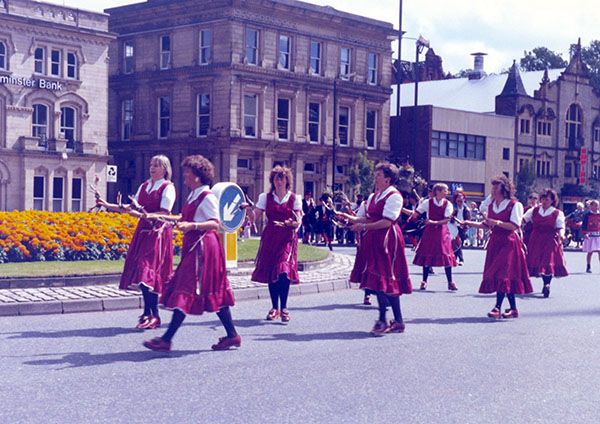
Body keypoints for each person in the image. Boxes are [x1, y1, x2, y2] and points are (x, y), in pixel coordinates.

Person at [143, 155, 239, 352]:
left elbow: (215, 222)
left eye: (187, 171)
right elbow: (184, 217)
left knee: (186, 287)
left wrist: (192, 225)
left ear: (197, 175)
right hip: (195, 246)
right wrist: (160, 217)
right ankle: (232, 335)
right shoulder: (194, 194)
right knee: (211, 290)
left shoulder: (207, 196)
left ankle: (166, 339)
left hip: (203, 249)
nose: (184, 175)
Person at [95, 155, 175, 330]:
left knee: (147, 271)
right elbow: (130, 208)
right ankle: (149, 313)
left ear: (165, 169)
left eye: (156, 165)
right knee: (141, 273)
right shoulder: (144, 186)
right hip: (143, 232)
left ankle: (153, 314)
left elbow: (165, 214)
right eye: (151, 164)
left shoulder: (168, 188)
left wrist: (143, 215)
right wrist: (107, 204)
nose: (152, 168)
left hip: (158, 233)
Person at [338, 162, 412, 335]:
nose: (375, 178)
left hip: (388, 241)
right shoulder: (373, 197)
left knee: (385, 279)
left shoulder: (395, 196)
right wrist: (349, 218)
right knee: (380, 280)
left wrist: (363, 227)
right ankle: (396, 321)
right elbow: (365, 218)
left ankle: (383, 320)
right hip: (373, 240)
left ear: (387, 179)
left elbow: (387, 222)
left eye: (378, 175)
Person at [464, 175, 532, 319]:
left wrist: (497, 222)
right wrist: (470, 223)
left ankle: (497, 307)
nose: (493, 189)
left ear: (504, 188)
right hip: (495, 241)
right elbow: (487, 225)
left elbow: (514, 225)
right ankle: (513, 308)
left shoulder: (514, 205)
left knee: (502, 273)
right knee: (503, 274)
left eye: (496, 186)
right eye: (493, 186)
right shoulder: (491, 205)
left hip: (508, 242)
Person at [248, 165, 302, 322]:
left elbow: (298, 219)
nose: (279, 181)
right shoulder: (265, 197)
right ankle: (274, 308)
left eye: (282, 178)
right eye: (276, 178)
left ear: (287, 180)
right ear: (272, 180)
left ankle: (284, 307)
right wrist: (247, 211)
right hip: (271, 237)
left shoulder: (294, 198)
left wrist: (293, 222)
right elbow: (255, 216)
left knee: (283, 270)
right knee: (272, 272)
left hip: (287, 237)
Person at [411, 183, 458, 291]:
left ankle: (450, 282)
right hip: (430, 232)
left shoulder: (448, 204)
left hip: (442, 232)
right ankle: (424, 281)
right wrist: (403, 210)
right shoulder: (427, 202)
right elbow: (416, 213)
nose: (447, 192)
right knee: (427, 255)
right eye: (445, 190)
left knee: (446, 255)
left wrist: (433, 222)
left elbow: (446, 220)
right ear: (438, 191)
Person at [522, 188, 568, 297]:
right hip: (536, 239)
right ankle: (529, 283)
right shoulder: (534, 210)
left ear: (552, 200)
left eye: (547, 199)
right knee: (536, 261)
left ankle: (546, 284)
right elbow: (523, 220)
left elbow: (560, 226)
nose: (544, 201)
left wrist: (562, 235)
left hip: (550, 240)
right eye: (543, 199)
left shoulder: (557, 213)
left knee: (547, 261)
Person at [449, 192, 471, 265]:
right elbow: (451, 216)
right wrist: (457, 219)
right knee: (456, 242)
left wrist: (467, 223)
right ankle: (460, 259)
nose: (460, 201)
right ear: (456, 200)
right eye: (458, 199)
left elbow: (468, 217)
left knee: (460, 242)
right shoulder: (453, 207)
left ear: (464, 200)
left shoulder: (465, 208)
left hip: (462, 226)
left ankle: (455, 258)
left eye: (461, 199)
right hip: (454, 226)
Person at [581, 199, 600, 273]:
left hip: (598, 235)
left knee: (599, 251)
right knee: (590, 252)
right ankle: (588, 266)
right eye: (595, 205)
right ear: (591, 206)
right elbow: (584, 225)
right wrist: (585, 233)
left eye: (598, 205)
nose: (597, 207)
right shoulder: (587, 215)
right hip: (590, 236)